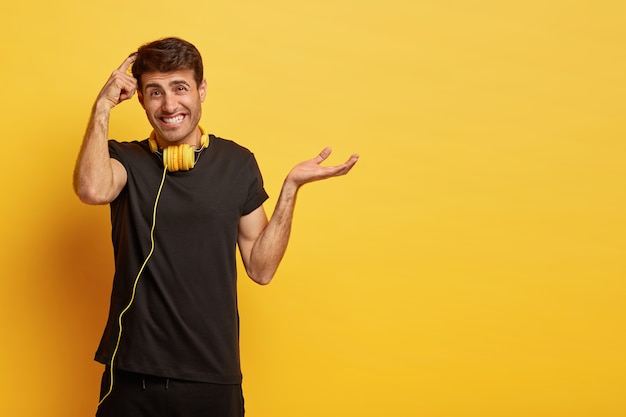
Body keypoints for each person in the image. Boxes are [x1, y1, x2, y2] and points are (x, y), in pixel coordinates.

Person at [73, 37, 358, 417]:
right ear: (139, 98)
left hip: (212, 374)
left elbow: (261, 267)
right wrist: (102, 107)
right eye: (154, 92)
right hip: (131, 374)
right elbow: (92, 189)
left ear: (201, 90)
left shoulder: (238, 164)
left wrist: (290, 189)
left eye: (180, 88)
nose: (169, 104)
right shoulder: (123, 159)